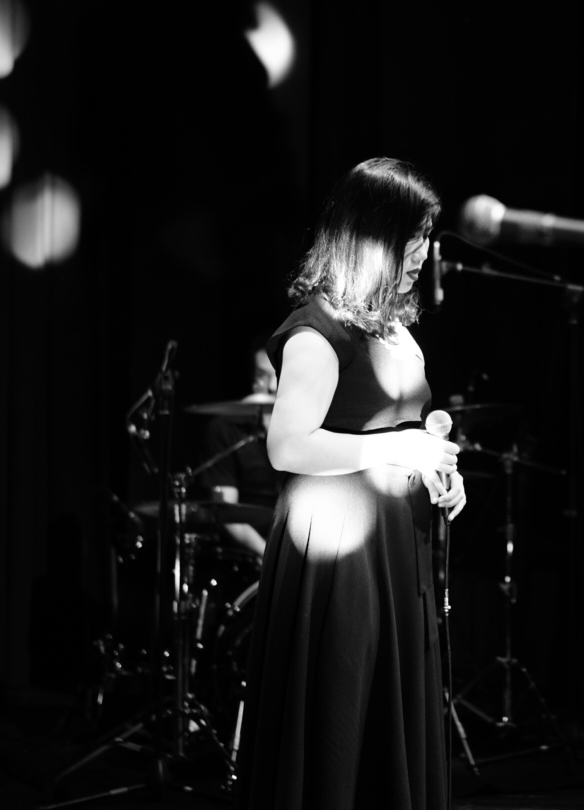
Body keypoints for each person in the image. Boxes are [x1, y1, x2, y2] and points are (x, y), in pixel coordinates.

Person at [236, 157, 467, 810]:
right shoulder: (319, 329)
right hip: (339, 554)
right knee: (339, 725)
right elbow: (288, 445)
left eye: (428, 237)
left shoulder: (399, 330)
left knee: (388, 728)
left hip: (396, 550)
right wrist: (398, 447)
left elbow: (409, 428)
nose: (425, 253)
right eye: (414, 237)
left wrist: (443, 472)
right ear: (374, 236)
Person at [199, 343, 283, 560]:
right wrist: (270, 558)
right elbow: (227, 513)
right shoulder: (225, 430)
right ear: (253, 379)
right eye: (263, 376)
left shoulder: (309, 429)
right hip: (249, 554)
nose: (272, 386)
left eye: (278, 374)